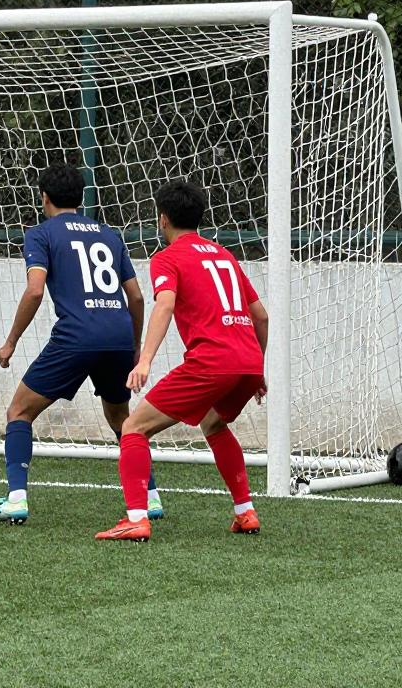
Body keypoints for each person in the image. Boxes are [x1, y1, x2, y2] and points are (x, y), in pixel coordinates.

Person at [0, 163, 163, 524]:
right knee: (122, 419)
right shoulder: (109, 235)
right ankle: (150, 496)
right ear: (81, 198)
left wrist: (11, 341)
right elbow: (137, 297)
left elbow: (35, 290)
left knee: (19, 412)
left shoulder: (40, 234)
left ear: (44, 197)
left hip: (77, 335)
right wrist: (134, 346)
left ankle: (16, 499)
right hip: (118, 335)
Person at [96, 179, 268, 542]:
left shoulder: (168, 257)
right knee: (214, 424)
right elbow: (261, 316)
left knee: (134, 427)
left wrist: (144, 360)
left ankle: (136, 518)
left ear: (162, 219)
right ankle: (245, 512)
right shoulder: (224, 255)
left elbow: (165, 304)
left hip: (212, 363)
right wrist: (257, 369)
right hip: (249, 360)